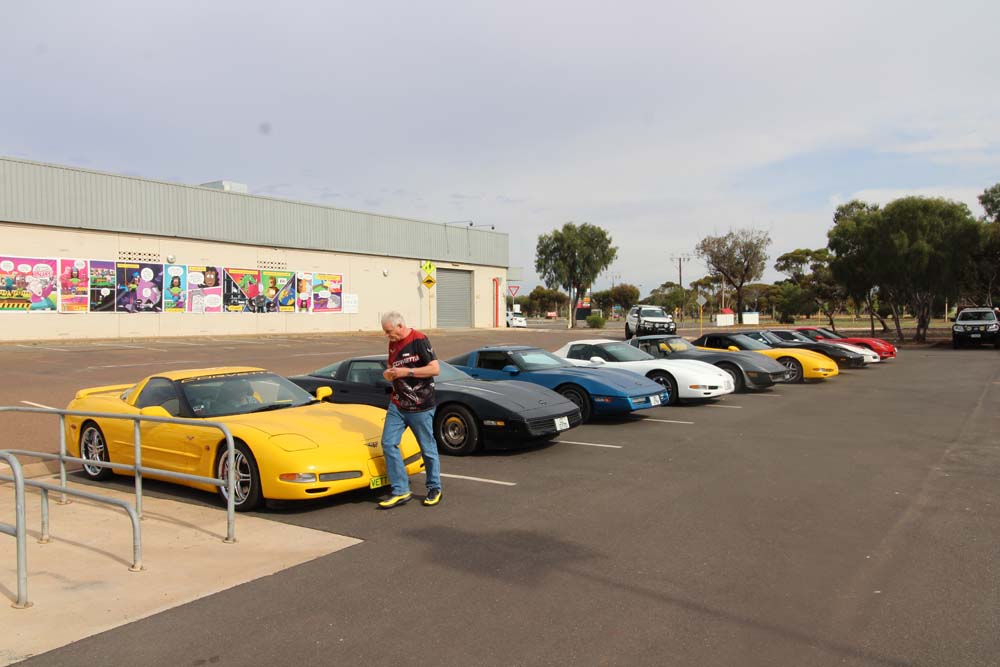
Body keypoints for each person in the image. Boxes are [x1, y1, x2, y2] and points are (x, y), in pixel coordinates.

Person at [377, 311, 442, 509]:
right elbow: (392, 367)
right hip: (397, 404)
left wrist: (408, 371)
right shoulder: (393, 343)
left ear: (400, 326)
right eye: (385, 332)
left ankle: (434, 488)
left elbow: (435, 369)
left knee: (427, 448)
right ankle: (401, 490)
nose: (387, 335)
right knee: (388, 443)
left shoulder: (419, 340)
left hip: (421, 406)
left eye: (389, 331)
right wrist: (388, 374)